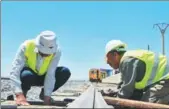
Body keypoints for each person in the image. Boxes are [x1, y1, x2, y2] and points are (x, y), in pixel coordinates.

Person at [9, 30, 71, 105]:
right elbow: (15, 70)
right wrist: (18, 94)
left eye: (47, 54)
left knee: (65, 72)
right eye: (43, 53)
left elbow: (50, 74)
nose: (45, 56)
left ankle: (43, 94)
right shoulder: (26, 46)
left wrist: (47, 96)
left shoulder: (57, 51)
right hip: (29, 77)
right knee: (26, 75)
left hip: (44, 77)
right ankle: (23, 94)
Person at [103, 40, 169, 104]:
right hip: (164, 80)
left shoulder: (127, 61)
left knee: (147, 104)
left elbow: (126, 91)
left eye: (108, 59)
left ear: (115, 54)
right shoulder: (129, 59)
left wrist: (115, 101)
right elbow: (130, 88)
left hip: (166, 79)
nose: (108, 63)